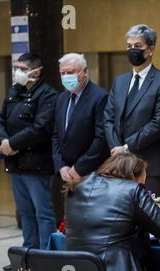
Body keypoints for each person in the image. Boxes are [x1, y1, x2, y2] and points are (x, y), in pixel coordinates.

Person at [0, 53, 58, 254]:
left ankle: (46, 254)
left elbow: (41, 128)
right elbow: (0, 120)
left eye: (22, 68)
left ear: (36, 71)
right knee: (25, 212)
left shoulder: (48, 94)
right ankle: (28, 253)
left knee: (43, 213)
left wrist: (12, 143)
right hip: (15, 163)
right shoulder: (14, 91)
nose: (17, 72)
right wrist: (3, 142)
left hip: (37, 164)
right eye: (16, 68)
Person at [104, 24, 160, 198]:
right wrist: (116, 148)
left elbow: (158, 123)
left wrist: (127, 147)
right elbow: (108, 118)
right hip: (119, 164)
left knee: (152, 216)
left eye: (137, 46)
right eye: (129, 46)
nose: (132, 50)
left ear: (150, 50)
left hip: (150, 166)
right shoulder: (120, 81)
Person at [51, 53, 109, 226]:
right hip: (66, 175)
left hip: (91, 174)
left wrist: (79, 168)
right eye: (63, 73)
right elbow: (55, 135)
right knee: (69, 223)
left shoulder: (100, 97)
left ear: (84, 72)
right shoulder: (61, 98)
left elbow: (101, 139)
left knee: (90, 222)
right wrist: (61, 166)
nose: (66, 76)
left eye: (71, 72)